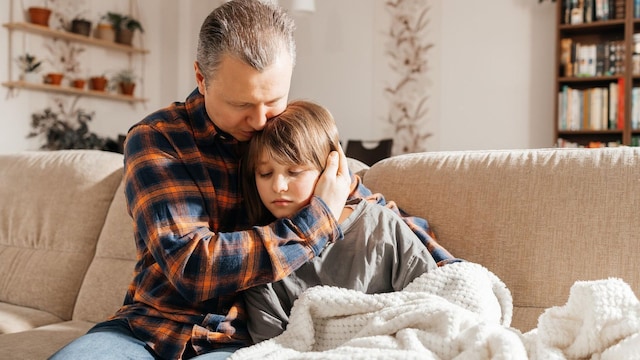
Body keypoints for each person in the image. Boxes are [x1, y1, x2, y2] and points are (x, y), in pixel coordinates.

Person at [49, 1, 455, 359]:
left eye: (273, 101)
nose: (260, 121)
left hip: (244, 341)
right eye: (241, 104)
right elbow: (192, 267)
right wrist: (315, 223)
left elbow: (368, 211)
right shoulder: (158, 141)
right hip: (148, 330)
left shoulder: (288, 139)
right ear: (202, 78)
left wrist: (451, 273)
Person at [239, 100, 438, 343]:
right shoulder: (263, 254)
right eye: (265, 173)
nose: (278, 186)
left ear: (331, 170)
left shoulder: (380, 225)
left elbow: (434, 304)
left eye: (294, 172)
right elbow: (270, 346)